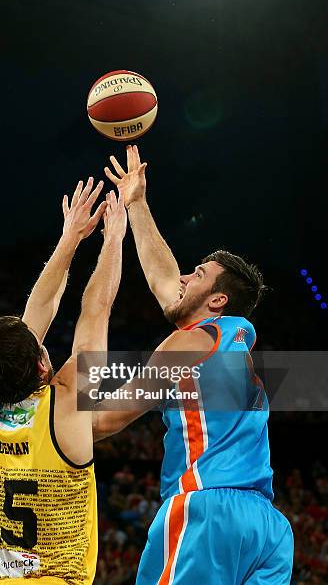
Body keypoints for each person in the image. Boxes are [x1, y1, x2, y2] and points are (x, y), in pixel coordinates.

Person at [92, 146, 294, 584]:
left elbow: (104, 421)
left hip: (207, 510)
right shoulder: (231, 339)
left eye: (197, 274)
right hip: (268, 529)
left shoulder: (186, 345)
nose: (183, 278)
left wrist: (40, 413)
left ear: (217, 299)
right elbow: (165, 281)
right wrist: (138, 203)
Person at [0, 179, 127, 584]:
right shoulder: (65, 407)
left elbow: (38, 310)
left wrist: (70, 237)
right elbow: (97, 310)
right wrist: (113, 240)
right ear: (41, 367)